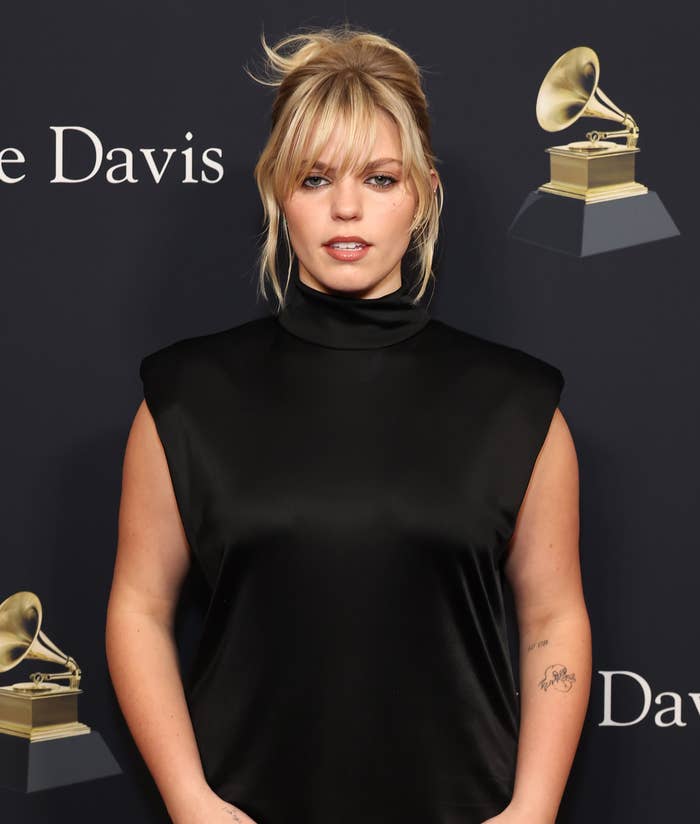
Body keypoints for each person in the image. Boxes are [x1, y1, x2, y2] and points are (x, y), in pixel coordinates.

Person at [105, 24, 591, 824]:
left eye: (380, 177)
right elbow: (138, 606)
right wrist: (192, 802)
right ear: (276, 192)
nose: (345, 207)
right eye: (315, 177)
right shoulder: (184, 398)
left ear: (425, 193)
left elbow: (552, 619)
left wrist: (531, 811)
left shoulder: (518, 405)